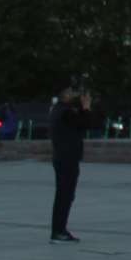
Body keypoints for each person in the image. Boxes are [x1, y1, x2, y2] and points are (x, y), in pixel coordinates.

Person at [49, 80, 91, 243]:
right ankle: (58, 231)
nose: (74, 95)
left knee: (64, 195)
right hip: (67, 158)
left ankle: (59, 230)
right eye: (71, 91)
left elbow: (81, 123)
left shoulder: (60, 110)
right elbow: (86, 123)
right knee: (64, 195)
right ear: (64, 94)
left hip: (63, 157)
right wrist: (86, 107)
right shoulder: (65, 112)